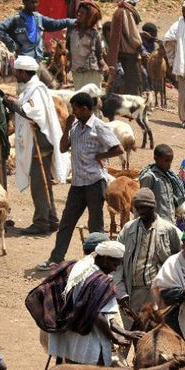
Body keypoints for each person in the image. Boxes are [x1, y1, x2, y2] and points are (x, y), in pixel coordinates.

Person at [41, 92, 122, 269]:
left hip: (94, 182)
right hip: (77, 184)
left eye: (75, 109)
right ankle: (56, 258)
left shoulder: (99, 126)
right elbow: (63, 148)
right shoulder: (75, 127)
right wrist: (67, 129)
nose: (73, 112)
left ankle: (98, 263)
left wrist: (101, 155)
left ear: (85, 109)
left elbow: (119, 149)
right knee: (66, 222)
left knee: (95, 225)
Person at [45, 240, 140, 366]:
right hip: (86, 343)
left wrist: (125, 332)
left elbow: (105, 316)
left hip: (69, 338)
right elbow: (96, 314)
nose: (115, 268)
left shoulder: (81, 266)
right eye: (114, 264)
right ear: (105, 258)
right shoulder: (99, 280)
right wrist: (114, 337)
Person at [7, 56, 69, 236]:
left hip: (39, 144)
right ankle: (51, 218)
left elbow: (33, 113)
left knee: (39, 185)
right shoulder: (31, 88)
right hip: (39, 143)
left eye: (17, 71)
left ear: (23, 72)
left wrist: (14, 104)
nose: (15, 74)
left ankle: (41, 223)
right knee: (44, 183)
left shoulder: (36, 90)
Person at [115, 188, 182, 316]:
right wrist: (121, 292)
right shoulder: (128, 230)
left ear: (153, 206)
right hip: (132, 292)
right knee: (132, 331)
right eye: (138, 208)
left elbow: (182, 257)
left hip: (157, 292)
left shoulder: (168, 230)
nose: (141, 212)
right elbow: (117, 264)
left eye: (145, 208)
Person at [0, 0, 76, 86]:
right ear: (24, 2)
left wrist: (71, 22)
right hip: (23, 62)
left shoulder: (38, 18)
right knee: (25, 88)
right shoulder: (16, 19)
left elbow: (54, 23)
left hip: (37, 59)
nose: (35, 4)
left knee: (49, 86)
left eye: (36, 2)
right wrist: (12, 44)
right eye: (32, 2)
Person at [105, 0, 142, 94]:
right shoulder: (127, 12)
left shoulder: (118, 11)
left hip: (119, 53)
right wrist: (140, 47)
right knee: (132, 84)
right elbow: (132, 35)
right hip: (129, 54)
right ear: (133, 1)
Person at [137, 145, 185, 225]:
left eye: (170, 161)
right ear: (156, 159)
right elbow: (142, 202)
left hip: (169, 222)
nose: (169, 164)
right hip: (155, 224)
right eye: (166, 161)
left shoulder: (169, 176)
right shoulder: (150, 177)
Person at [69, 0, 105, 91]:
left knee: (92, 98)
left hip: (91, 72)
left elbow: (99, 54)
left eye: (83, 13)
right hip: (76, 72)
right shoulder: (72, 31)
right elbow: (68, 49)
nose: (79, 15)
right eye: (78, 12)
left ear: (89, 17)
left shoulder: (94, 34)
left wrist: (103, 68)